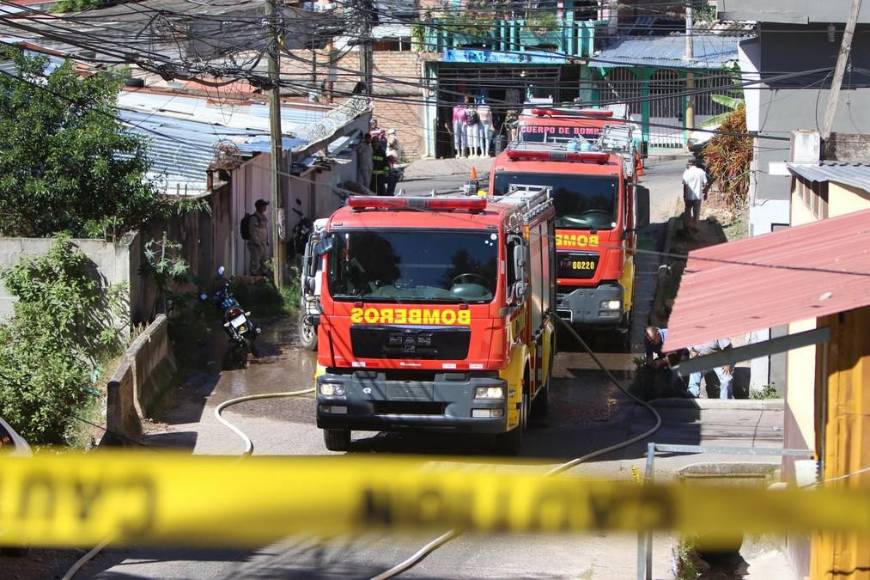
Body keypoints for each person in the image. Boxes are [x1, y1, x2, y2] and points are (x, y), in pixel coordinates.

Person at [682, 158, 710, 235]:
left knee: (687, 211)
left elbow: (685, 185)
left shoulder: (686, 172)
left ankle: (687, 227)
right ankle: (695, 227)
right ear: (696, 164)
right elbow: (706, 184)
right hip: (698, 197)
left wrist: (684, 196)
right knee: (696, 213)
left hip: (688, 197)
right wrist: (705, 193)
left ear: (689, 164)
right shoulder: (701, 172)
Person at [248, 199, 270, 276]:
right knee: (256, 262)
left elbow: (264, 230)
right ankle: (254, 278)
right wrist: (256, 242)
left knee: (265, 261)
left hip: (263, 243)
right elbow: (252, 231)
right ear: (260, 207)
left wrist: (266, 241)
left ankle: (263, 278)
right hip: (256, 244)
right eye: (264, 206)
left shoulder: (263, 217)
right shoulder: (254, 218)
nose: (265, 207)